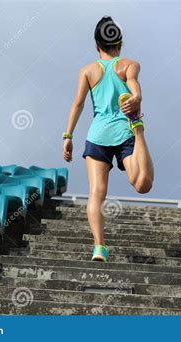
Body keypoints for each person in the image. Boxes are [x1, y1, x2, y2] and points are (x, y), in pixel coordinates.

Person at [62, 16, 154, 262]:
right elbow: (134, 84)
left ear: (96, 45)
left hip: (98, 136)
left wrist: (68, 136)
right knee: (142, 184)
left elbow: (78, 104)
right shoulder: (129, 64)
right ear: (120, 43)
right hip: (124, 132)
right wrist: (136, 98)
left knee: (96, 193)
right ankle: (139, 128)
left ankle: (99, 246)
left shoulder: (87, 71)